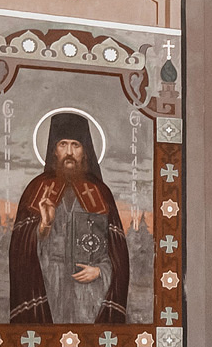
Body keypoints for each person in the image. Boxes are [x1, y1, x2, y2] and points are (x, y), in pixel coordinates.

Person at [8, 113, 129, 324]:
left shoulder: (101, 193)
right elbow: (21, 253)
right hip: (50, 287)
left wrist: (100, 271)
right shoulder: (37, 190)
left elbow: (117, 254)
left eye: (76, 145)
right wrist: (44, 225)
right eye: (63, 144)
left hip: (90, 294)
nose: (70, 152)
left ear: (86, 151)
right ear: (54, 150)